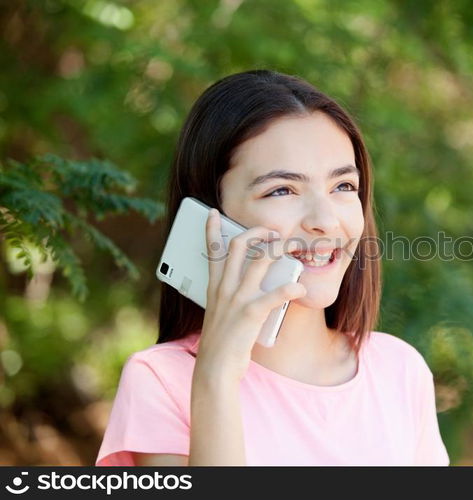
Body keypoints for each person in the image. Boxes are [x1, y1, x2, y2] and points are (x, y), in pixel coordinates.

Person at [95, 70, 450, 466]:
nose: (326, 221)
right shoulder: (161, 380)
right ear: (211, 218)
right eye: (281, 190)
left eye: (343, 186)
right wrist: (215, 379)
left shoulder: (399, 371)